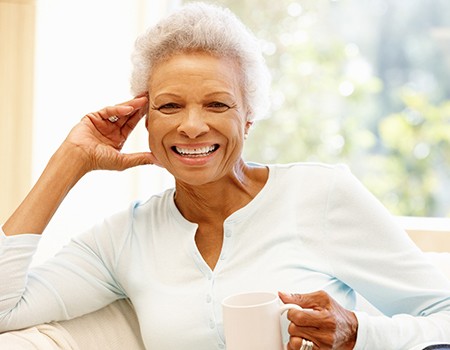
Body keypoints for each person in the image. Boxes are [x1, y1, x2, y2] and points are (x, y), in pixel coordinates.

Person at [1, 2, 449, 350]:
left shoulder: (322, 194)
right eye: (170, 105)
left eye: (217, 104)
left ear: (249, 117)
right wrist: (70, 160)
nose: (192, 125)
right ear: (146, 120)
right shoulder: (124, 237)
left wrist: (358, 334)